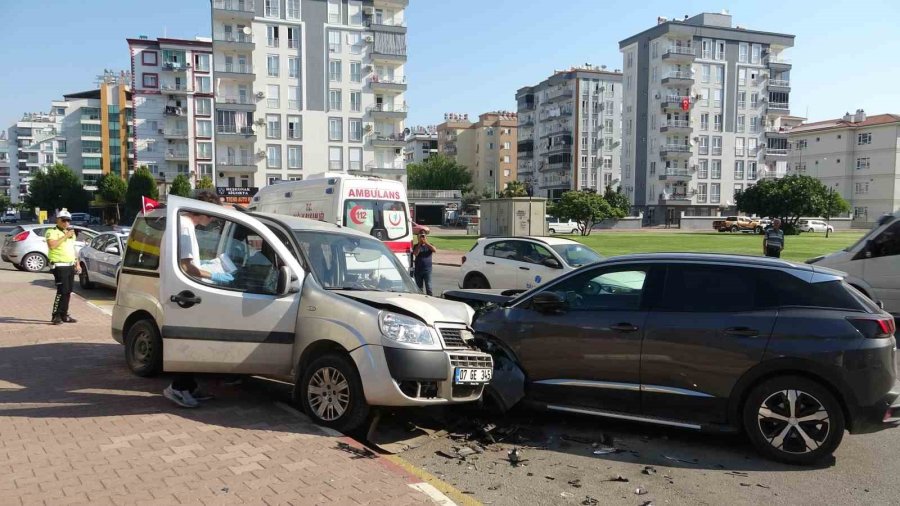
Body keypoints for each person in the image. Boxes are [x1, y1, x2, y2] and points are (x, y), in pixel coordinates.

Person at [163, 190, 234, 408]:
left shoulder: (181, 224)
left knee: (193, 342)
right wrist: (215, 275)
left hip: (183, 293)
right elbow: (187, 266)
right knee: (191, 345)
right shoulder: (184, 227)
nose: (212, 220)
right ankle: (178, 388)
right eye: (212, 215)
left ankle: (190, 387)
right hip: (187, 296)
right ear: (203, 211)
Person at [45, 209, 81, 325]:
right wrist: (65, 236)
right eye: (64, 220)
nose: (66, 223)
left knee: (68, 291)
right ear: (58, 220)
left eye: (68, 221)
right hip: (59, 265)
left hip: (70, 264)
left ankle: (64, 314)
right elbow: (52, 245)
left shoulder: (71, 233)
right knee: (61, 290)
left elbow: (73, 249)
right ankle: (56, 315)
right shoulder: (52, 231)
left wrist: (77, 263)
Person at [412, 231, 436, 296]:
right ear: (418, 237)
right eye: (420, 236)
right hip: (418, 270)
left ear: (426, 237)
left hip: (427, 270)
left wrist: (426, 242)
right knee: (419, 288)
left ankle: (431, 300)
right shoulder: (416, 246)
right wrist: (420, 244)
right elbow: (415, 254)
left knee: (429, 287)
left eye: (423, 236)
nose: (422, 238)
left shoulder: (430, 245)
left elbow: (434, 250)